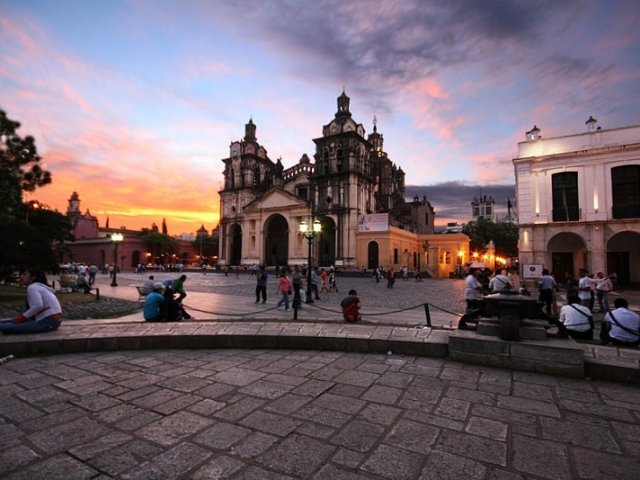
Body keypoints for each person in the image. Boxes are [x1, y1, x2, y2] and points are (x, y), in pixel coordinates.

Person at [0, 268, 63, 334]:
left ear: (33, 277)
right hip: (53, 322)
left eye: (25, 274)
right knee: (4, 321)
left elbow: (38, 305)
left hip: (46, 322)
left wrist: (22, 318)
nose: (21, 276)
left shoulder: (32, 287)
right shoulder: (40, 287)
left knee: (3, 326)